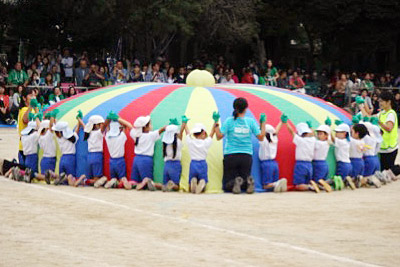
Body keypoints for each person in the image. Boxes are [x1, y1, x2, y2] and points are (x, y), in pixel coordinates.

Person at [215, 97, 266, 194]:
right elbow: (261, 137)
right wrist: (262, 123)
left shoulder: (229, 121)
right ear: (246, 108)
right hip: (246, 156)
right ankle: (248, 183)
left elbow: (219, 136)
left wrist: (216, 122)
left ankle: (235, 183)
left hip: (230, 155)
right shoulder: (250, 122)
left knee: (227, 183)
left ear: (234, 108)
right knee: (244, 177)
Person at [130, 116, 166, 190]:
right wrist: (168, 126)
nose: (151, 126)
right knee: (149, 181)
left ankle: (132, 184)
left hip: (136, 159)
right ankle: (147, 182)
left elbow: (129, 126)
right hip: (146, 160)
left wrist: (118, 119)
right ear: (145, 127)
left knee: (134, 180)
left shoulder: (135, 135)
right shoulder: (151, 135)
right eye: (150, 124)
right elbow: (161, 130)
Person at [283, 120, 320, 192]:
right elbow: (313, 134)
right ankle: (318, 186)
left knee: (298, 185)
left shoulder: (300, 140)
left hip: (301, 164)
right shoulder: (313, 140)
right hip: (310, 165)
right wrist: (310, 127)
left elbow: (291, 132)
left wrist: (286, 123)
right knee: (306, 182)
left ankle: (311, 187)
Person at [186, 120, 217, 194]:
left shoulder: (191, 142)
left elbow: (187, 133)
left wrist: (185, 124)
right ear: (203, 133)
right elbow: (212, 133)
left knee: (191, 181)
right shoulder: (206, 143)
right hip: (202, 164)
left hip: (193, 163)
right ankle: (202, 183)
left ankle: (192, 183)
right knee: (203, 181)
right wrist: (215, 122)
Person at [78, 115, 109, 187]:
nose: (102, 125)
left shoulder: (88, 133)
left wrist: (79, 119)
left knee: (91, 176)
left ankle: (85, 179)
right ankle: (85, 181)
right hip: (97, 155)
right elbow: (105, 125)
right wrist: (109, 118)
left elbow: (84, 126)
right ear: (96, 125)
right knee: (97, 179)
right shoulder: (98, 133)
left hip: (89, 156)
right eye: (100, 124)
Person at [104, 112, 133, 190]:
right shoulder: (121, 136)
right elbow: (128, 126)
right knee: (122, 177)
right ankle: (122, 181)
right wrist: (118, 119)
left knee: (113, 177)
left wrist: (108, 119)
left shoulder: (107, 136)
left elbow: (106, 127)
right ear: (119, 128)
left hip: (111, 160)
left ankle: (114, 181)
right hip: (120, 160)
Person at [258, 117, 287, 192]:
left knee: (266, 184)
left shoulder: (264, 141)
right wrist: (281, 122)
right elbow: (276, 132)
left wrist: (262, 123)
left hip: (266, 163)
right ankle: (277, 184)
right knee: (273, 180)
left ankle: (276, 184)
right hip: (274, 163)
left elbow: (262, 132)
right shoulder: (275, 140)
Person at [161, 118, 186, 192]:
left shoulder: (165, 143)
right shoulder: (178, 142)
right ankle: (172, 185)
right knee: (177, 186)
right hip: (175, 165)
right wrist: (184, 123)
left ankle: (154, 184)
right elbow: (181, 133)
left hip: (166, 165)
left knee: (164, 184)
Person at [378, 91, 398, 170]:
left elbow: (389, 128)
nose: (380, 103)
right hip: (382, 148)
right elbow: (369, 116)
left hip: (390, 149)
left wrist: (379, 122)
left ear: (389, 102)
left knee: (387, 173)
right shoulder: (381, 113)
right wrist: (362, 105)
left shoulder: (391, 114)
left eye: (382, 101)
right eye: (379, 101)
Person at [17, 87, 38, 165]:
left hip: (31, 147)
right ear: (24, 98)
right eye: (30, 95)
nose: (33, 97)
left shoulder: (32, 109)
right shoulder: (23, 109)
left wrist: (35, 107)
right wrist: (31, 106)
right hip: (24, 148)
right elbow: (25, 119)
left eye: (34, 95)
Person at [312, 122, 333, 192]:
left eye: (320, 134)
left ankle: (322, 186)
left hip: (318, 164)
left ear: (326, 135)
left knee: (317, 180)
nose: (318, 135)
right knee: (322, 179)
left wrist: (311, 130)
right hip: (324, 163)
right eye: (318, 134)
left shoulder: (319, 143)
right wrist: (328, 126)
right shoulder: (327, 142)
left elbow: (313, 140)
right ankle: (327, 184)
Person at [331, 122, 352, 190]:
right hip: (348, 163)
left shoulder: (341, 141)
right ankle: (348, 181)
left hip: (342, 164)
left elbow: (333, 140)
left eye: (338, 132)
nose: (336, 134)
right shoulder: (347, 141)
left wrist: (329, 131)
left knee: (339, 181)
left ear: (344, 133)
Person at [20, 116, 41, 183]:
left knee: (28, 171)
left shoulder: (24, 137)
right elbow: (41, 129)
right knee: (33, 173)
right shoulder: (34, 136)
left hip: (26, 157)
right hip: (33, 156)